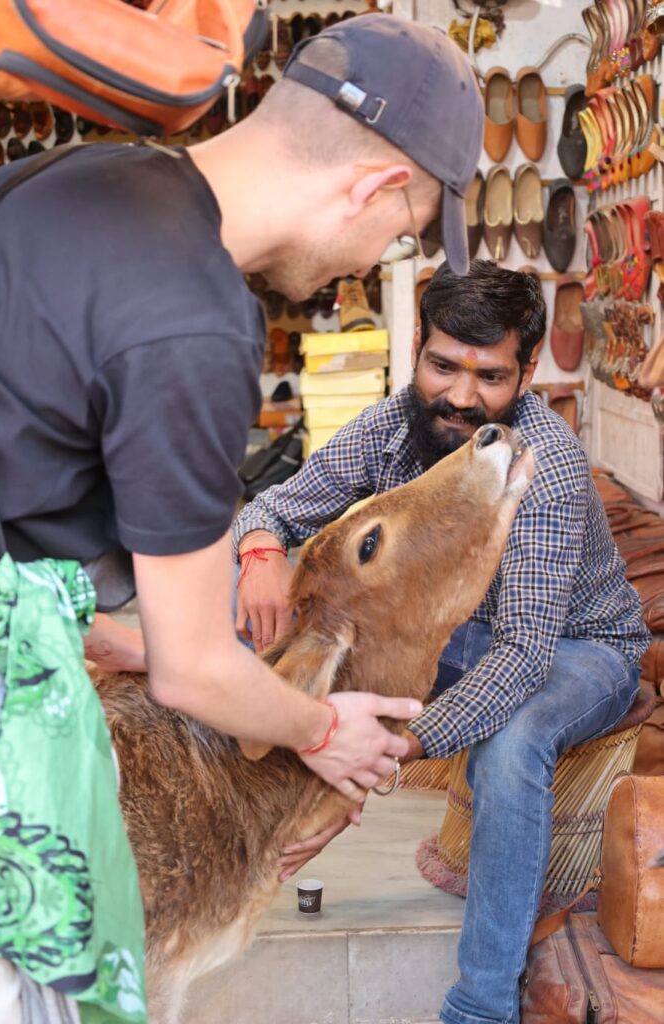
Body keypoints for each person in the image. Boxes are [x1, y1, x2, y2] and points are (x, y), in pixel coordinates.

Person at [0, 16, 484, 1024]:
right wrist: (319, 729)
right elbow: (195, 671)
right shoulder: (195, 318)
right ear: (371, 187)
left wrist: (104, 636)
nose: (370, 256)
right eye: (398, 229)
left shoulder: (74, 181)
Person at [233, 261, 651, 1024]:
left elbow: (523, 657)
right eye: (441, 365)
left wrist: (391, 747)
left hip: (576, 646)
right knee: (275, 640)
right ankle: (237, 833)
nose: (460, 396)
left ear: (526, 370)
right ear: (415, 351)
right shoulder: (395, 424)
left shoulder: (543, 467)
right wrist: (260, 550)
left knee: (512, 740)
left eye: (489, 375)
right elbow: (280, 504)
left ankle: (482, 1006)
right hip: (461, 637)